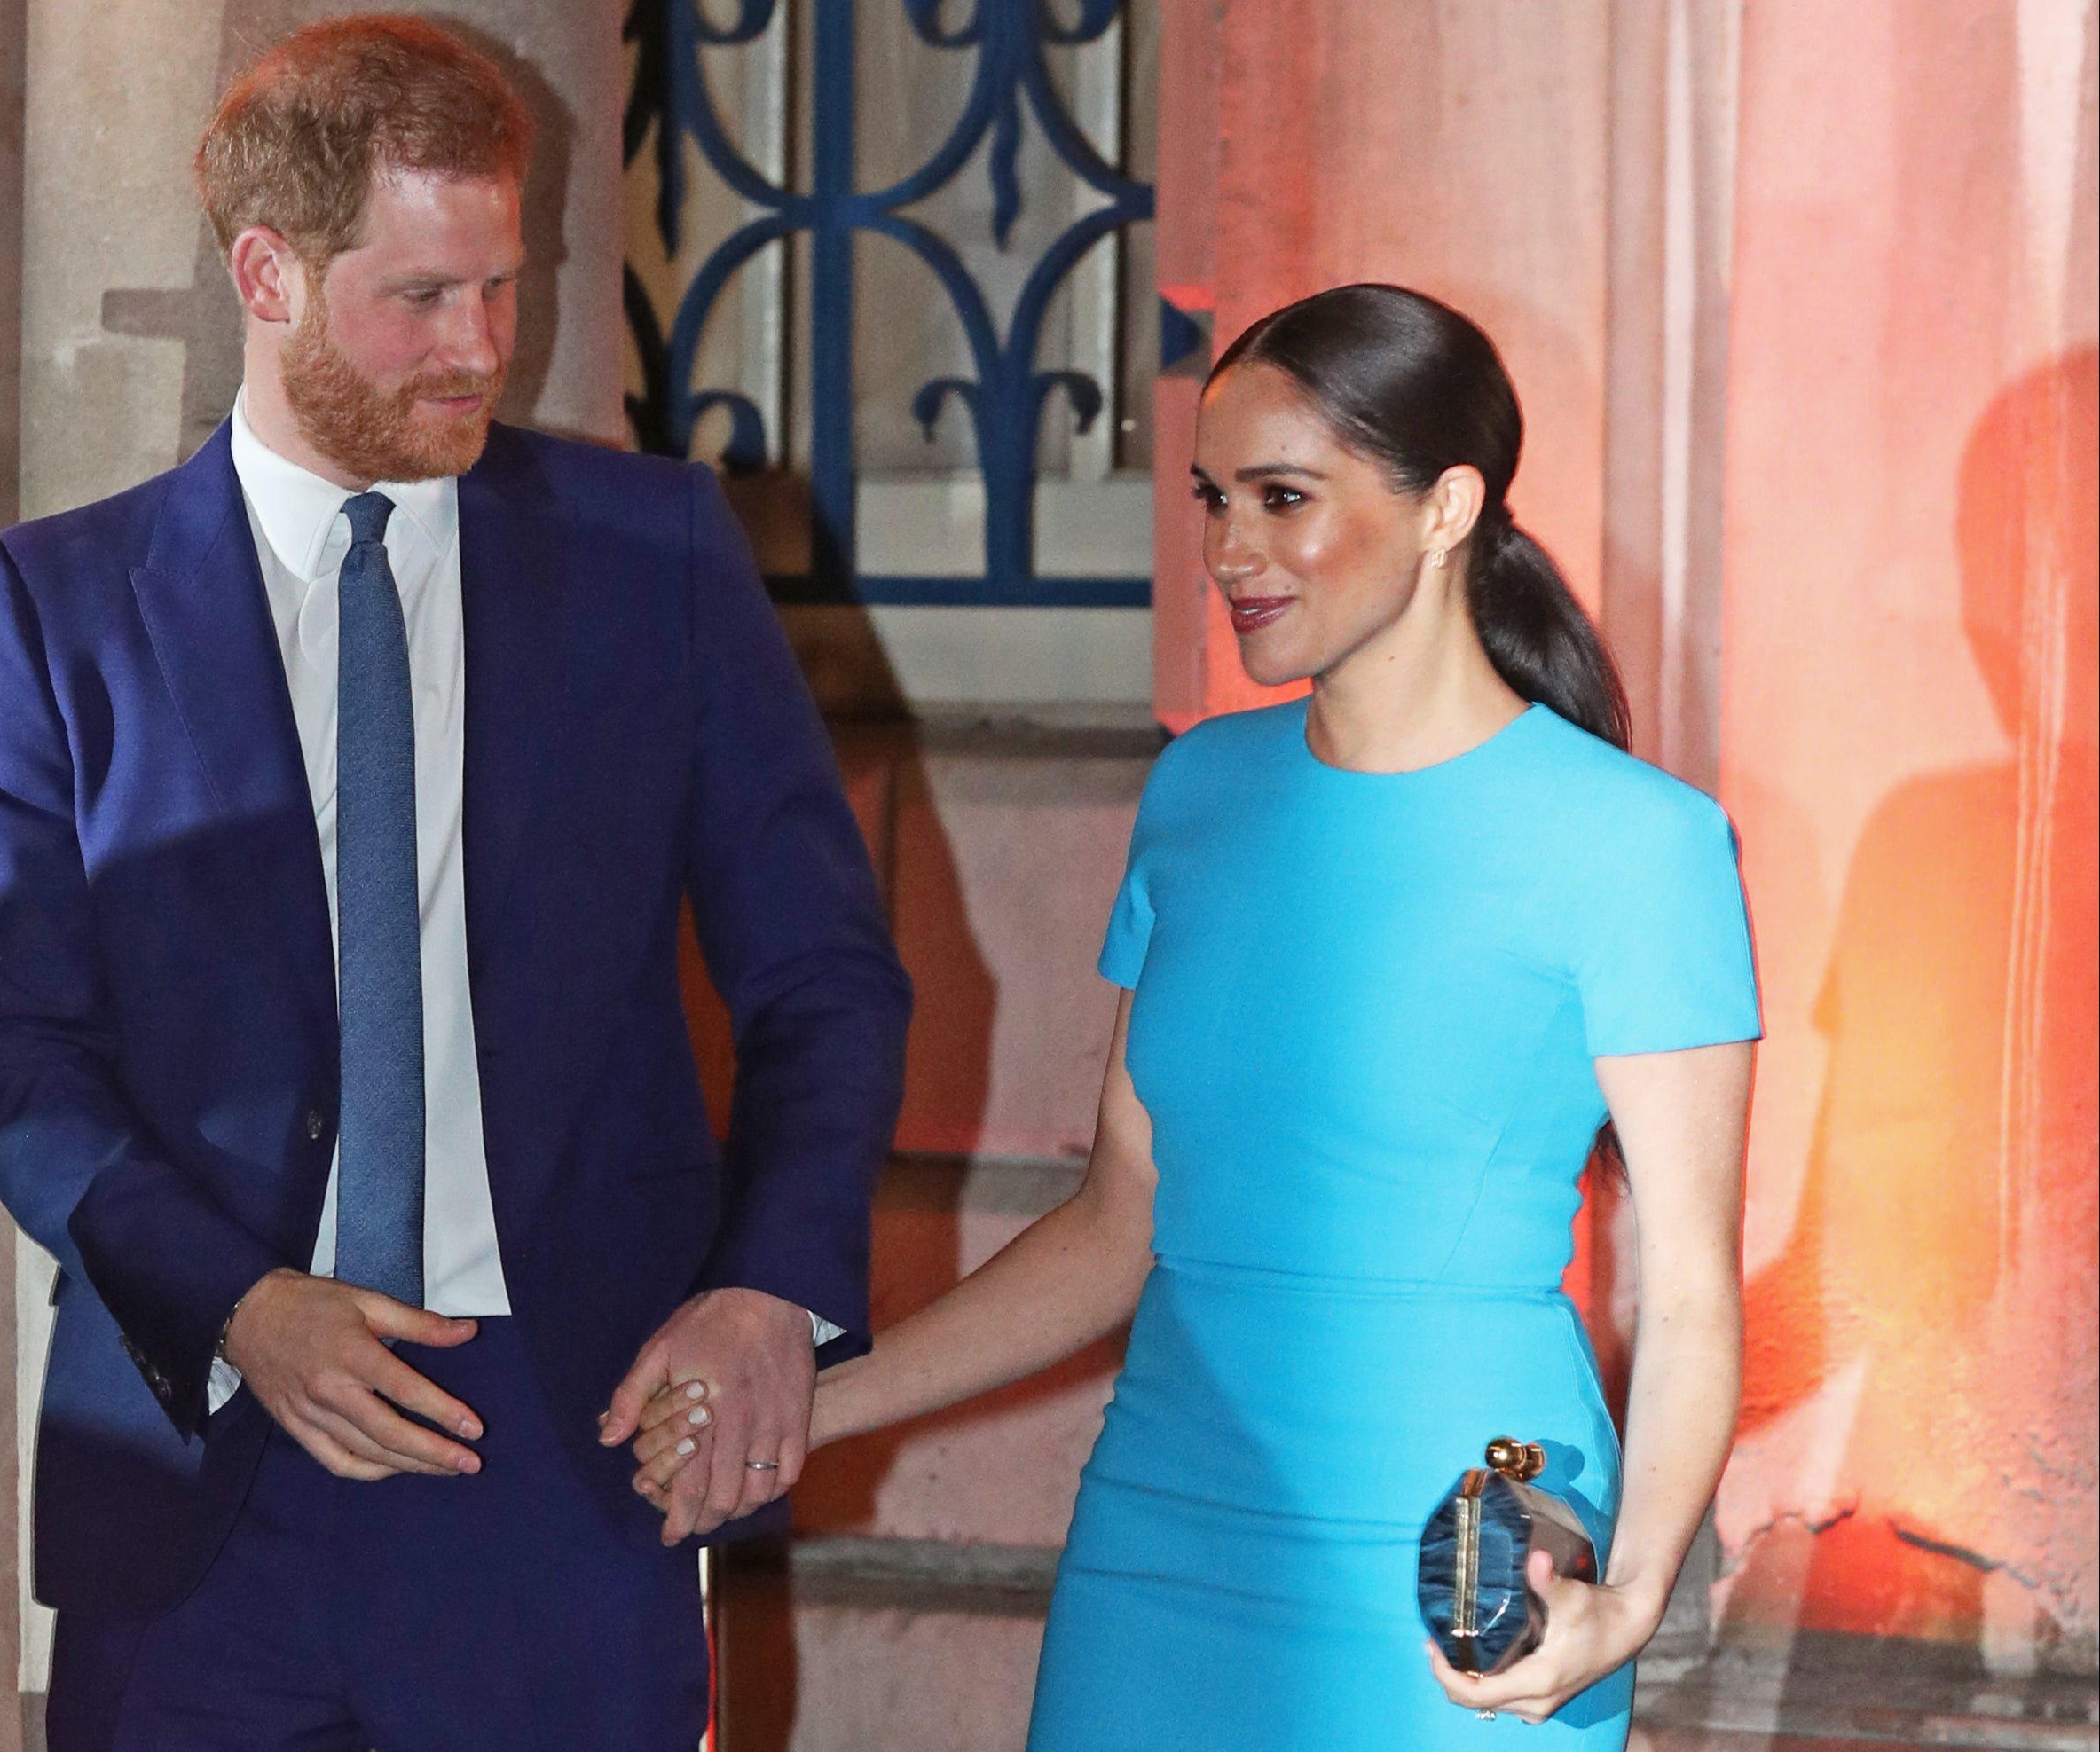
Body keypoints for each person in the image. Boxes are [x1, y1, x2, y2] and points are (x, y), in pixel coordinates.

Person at [0, 17, 908, 1750]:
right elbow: (3, 1042)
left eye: (504, 291)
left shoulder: (658, 559)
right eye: (420, 298)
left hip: (563, 1451)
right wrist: (237, 1299)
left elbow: (824, 975)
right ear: (268, 275)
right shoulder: (53, 608)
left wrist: (769, 1285)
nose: (478, 350)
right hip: (201, 1459)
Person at [634, 284, 1758, 1743]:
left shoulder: (1633, 843)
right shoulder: (1198, 794)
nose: (1229, 552)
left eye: (1283, 498)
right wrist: (799, 1410)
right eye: (1212, 499)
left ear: (1446, 508)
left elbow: (1687, 1293)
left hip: (1452, 1528)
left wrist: (1633, 1591)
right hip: (1159, 1525)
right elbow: (1120, 1223)